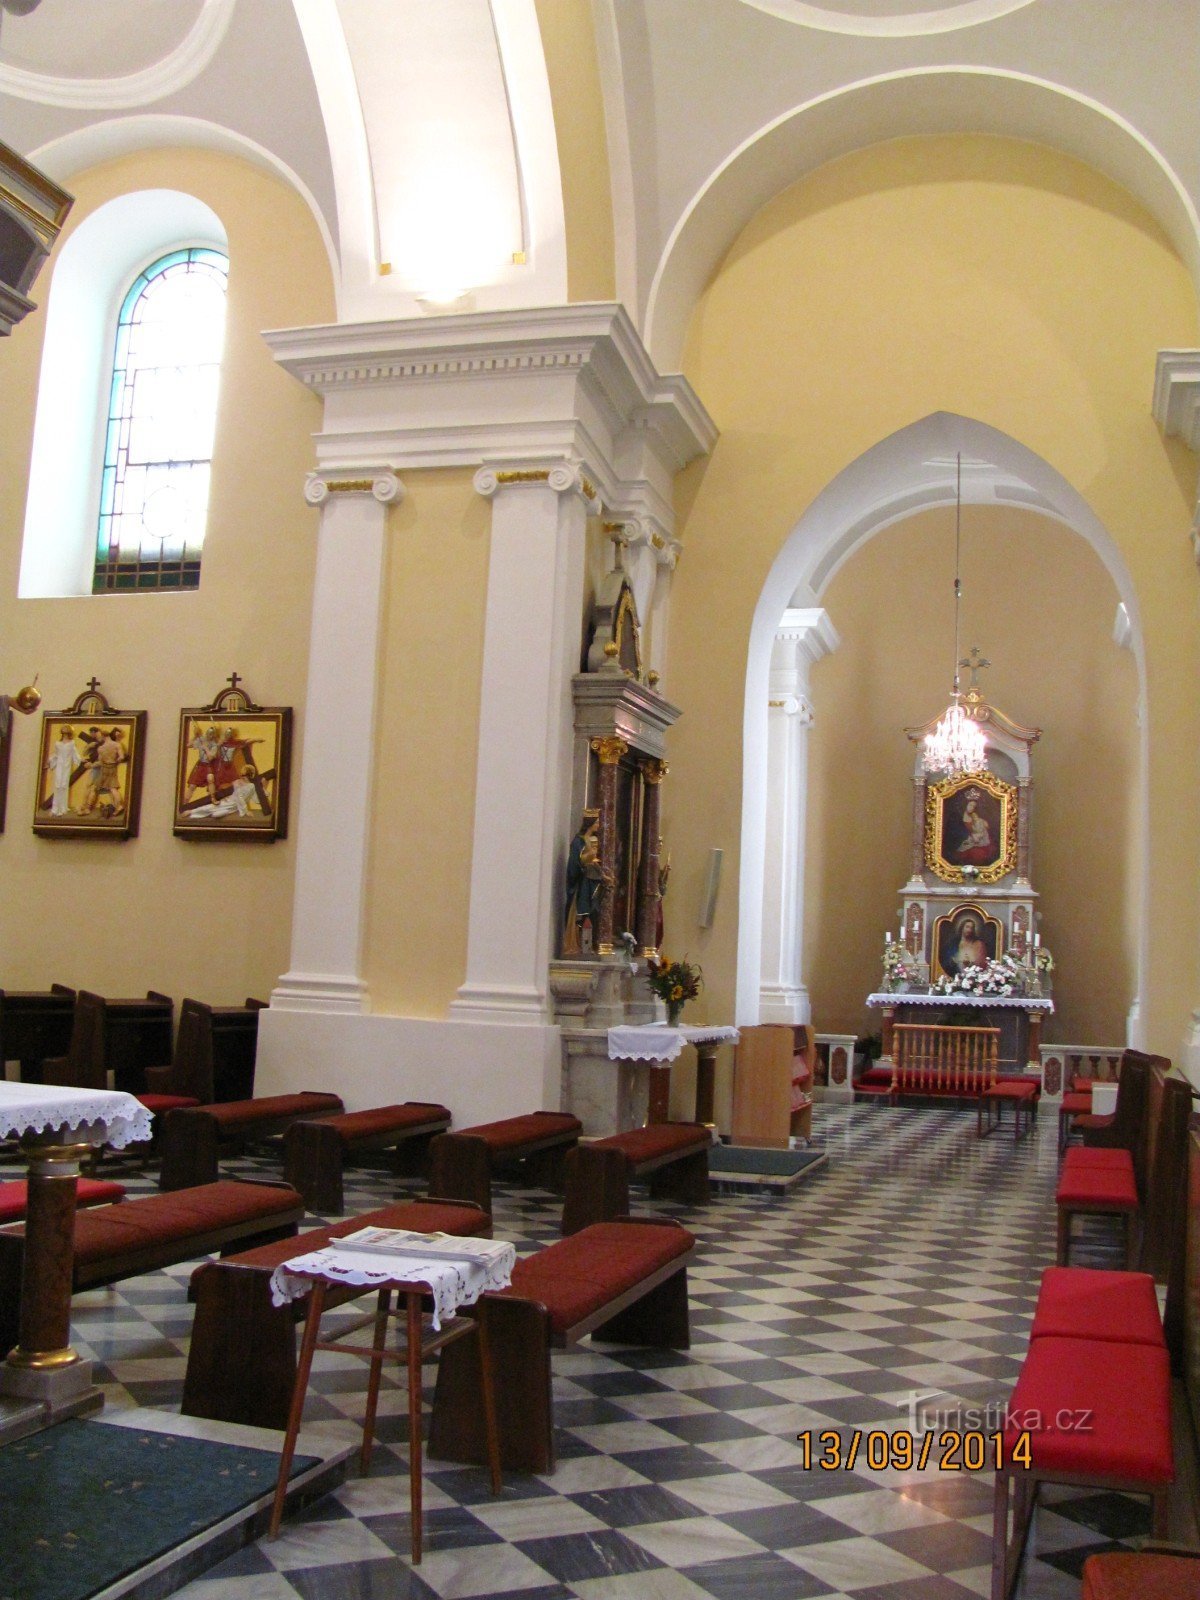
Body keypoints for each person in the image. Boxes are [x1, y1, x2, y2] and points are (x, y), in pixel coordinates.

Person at [563, 811, 603, 956]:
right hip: (581, 884)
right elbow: (574, 864)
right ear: (590, 823)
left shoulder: (593, 840)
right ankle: (575, 944)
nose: (598, 825)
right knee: (582, 913)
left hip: (591, 882)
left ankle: (587, 945)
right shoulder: (578, 841)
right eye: (597, 822)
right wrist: (586, 860)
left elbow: (594, 863)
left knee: (592, 912)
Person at [45, 725, 81, 815]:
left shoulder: (72, 743)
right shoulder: (58, 744)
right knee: (57, 785)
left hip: (67, 766)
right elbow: (56, 755)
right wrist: (49, 761)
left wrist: (80, 760)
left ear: (69, 734)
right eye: (63, 733)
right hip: (59, 766)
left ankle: (62, 808)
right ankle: (55, 808)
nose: (65, 735)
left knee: (64, 786)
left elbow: (75, 754)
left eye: (66, 733)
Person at [956, 791, 993, 863]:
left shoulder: (976, 817)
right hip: (966, 841)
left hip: (977, 840)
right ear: (965, 805)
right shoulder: (957, 817)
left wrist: (978, 835)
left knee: (979, 855)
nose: (972, 808)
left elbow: (982, 829)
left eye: (973, 806)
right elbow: (956, 832)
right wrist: (971, 837)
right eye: (970, 805)